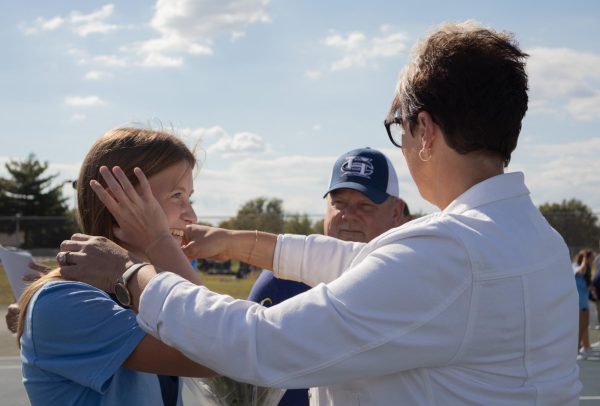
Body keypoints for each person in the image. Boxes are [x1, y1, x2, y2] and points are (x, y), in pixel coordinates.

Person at [60, 21, 581, 404]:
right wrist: (237, 242)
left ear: (425, 131)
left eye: (398, 127)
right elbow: (364, 263)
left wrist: (133, 272)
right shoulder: (531, 239)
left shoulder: (451, 251)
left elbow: (263, 346)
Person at [16, 127, 214, 405]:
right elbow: (218, 349)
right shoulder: (63, 301)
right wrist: (160, 240)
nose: (191, 215)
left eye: (189, 198)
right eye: (177, 196)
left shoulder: (140, 294)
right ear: (117, 201)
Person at [247, 147, 412, 405]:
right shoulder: (281, 280)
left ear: (396, 212)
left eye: (365, 205)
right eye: (339, 204)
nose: (347, 216)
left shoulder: (413, 282)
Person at [573, 248, 594, 360]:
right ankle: (575, 348)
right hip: (578, 303)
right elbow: (580, 271)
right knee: (580, 326)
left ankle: (584, 346)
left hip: (584, 302)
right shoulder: (576, 266)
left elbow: (588, 284)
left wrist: (593, 291)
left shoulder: (587, 271)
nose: (592, 260)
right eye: (590, 258)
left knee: (585, 325)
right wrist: (585, 259)